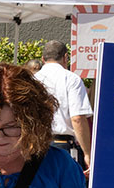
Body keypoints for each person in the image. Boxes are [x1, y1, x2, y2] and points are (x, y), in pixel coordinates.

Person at [33, 40, 93, 172]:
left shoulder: (32, 80)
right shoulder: (72, 79)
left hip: (36, 145)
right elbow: (77, 118)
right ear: (66, 57)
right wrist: (87, 153)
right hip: (63, 146)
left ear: (43, 59)